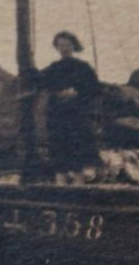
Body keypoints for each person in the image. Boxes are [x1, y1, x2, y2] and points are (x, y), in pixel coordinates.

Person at [36, 30, 101, 174]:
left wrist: (77, 93)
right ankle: (61, 181)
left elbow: (94, 88)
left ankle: (79, 182)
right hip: (58, 114)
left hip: (77, 113)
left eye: (67, 45)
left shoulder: (83, 67)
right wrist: (58, 93)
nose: (64, 48)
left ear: (73, 46)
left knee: (78, 147)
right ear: (57, 47)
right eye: (60, 45)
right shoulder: (53, 68)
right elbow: (40, 82)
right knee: (58, 148)